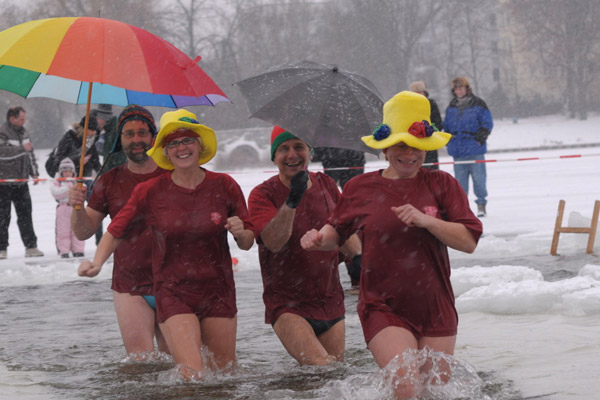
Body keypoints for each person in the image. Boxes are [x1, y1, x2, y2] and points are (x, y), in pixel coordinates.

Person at [301, 91, 483, 399]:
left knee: (433, 392)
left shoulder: (442, 185)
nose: (409, 153)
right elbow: (337, 230)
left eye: (417, 146)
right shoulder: (361, 187)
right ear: (385, 148)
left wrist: (429, 222)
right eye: (400, 144)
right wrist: (320, 239)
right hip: (382, 304)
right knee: (405, 384)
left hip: (434, 306)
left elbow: (468, 242)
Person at [78, 109, 254, 379]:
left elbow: (247, 241)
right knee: (191, 375)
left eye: (187, 141)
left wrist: (241, 232)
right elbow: (115, 230)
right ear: (164, 150)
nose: (181, 148)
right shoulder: (149, 190)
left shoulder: (225, 185)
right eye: (173, 143)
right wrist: (97, 262)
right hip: (172, 291)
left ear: (200, 145)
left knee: (225, 375)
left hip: (217, 290)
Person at [246, 126, 361, 366]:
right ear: (274, 157)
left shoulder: (326, 183)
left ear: (309, 152)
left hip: (329, 298)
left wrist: (359, 258)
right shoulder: (262, 194)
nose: (292, 155)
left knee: (331, 377)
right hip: (287, 303)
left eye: (299, 147)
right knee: (321, 365)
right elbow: (274, 242)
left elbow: (343, 227)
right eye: (283, 149)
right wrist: (292, 200)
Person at [69, 105, 169, 358]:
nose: (136, 140)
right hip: (130, 284)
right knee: (141, 365)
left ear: (153, 136)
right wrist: (77, 207)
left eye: (142, 133)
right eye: (129, 134)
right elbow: (83, 232)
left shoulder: (173, 175)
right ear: (120, 139)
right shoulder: (109, 180)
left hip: (174, 281)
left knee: (180, 364)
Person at [312, 146, 364, 291]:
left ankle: (358, 273)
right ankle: (357, 271)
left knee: (351, 208)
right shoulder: (325, 184)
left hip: (350, 159)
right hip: (333, 160)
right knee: (340, 213)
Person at [443, 77, 494, 217]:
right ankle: (462, 209)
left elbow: (487, 123)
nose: (458, 91)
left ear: (467, 88)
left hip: (475, 149)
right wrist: (447, 140)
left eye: (461, 88)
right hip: (458, 152)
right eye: (456, 88)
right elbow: (446, 126)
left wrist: (480, 138)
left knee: (479, 181)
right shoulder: (451, 106)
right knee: (460, 185)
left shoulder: (479, 104)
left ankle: (481, 205)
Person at [0, 106, 44, 259]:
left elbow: (30, 153)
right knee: (2, 217)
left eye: (24, 119)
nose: (24, 122)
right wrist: (21, 148)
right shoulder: (2, 132)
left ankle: (31, 247)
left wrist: (34, 172)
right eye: (21, 119)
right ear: (12, 118)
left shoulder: (24, 132)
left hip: (21, 183)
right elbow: (2, 154)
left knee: (26, 216)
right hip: (4, 183)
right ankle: (1, 249)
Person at [50, 158, 85, 258]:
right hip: (63, 209)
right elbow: (56, 193)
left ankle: (78, 250)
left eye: (70, 171)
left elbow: (82, 191)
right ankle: (64, 251)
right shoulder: (58, 182)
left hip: (76, 209)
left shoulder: (77, 181)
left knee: (77, 230)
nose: (67, 173)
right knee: (63, 231)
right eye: (65, 171)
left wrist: (72, 189)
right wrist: (68, 189)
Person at [55, 115, 101, 185]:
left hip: (87, 179)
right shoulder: (69, 138)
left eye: (95, 131)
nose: (93, 133)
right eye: (91, 130)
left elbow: (96, 161)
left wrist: (102, 174)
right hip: (70, 180)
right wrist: (77, 161)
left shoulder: (90, 141)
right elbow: (59, 159)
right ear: (84, 128)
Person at [409, 80, 443, 170]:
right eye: (415, 93)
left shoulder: (431, 104)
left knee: (432, 172)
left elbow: (438, 122)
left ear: (425, 92)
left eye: (420, 92)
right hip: (414, 143)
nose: (418, 94)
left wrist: (428, 130)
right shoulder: (409, 107)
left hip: (430, 142)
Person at [94, 104, 124, 171]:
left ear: (103, 118)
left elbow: (112, 156)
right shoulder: (106, 132)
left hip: (117, 172)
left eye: (97, 118)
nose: (96, 121)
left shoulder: (114, 131)